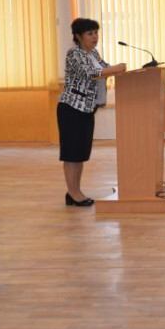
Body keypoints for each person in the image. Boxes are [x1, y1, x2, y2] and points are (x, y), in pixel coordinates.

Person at [58, 18, 126, 206]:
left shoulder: (93, 53)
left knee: (80, 154)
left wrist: (119, 69)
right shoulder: (74, 54)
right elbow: (90, 73)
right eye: (90, 33)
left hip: (87, 109)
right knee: (71, 154)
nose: (95, 37)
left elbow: (105, 68)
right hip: (71, 108)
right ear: (79, 36)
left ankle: (75, 192)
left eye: (96, 32)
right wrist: (115, 69)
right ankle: (73, 193)